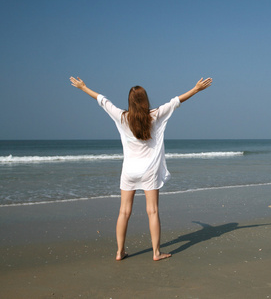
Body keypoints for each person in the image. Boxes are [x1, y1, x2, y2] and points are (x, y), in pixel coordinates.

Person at [70, 76, 213, 261]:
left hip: (129, 171)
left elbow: (103, 101)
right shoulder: (155, 115)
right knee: (152, 211)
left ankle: (120, 252)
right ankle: (156, 253)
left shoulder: (122, 117)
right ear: (145, 100)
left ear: (130, 102)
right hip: (149, 171)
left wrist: (83, 87)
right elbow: (176, 101)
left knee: (124, 212)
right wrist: (195, 89)